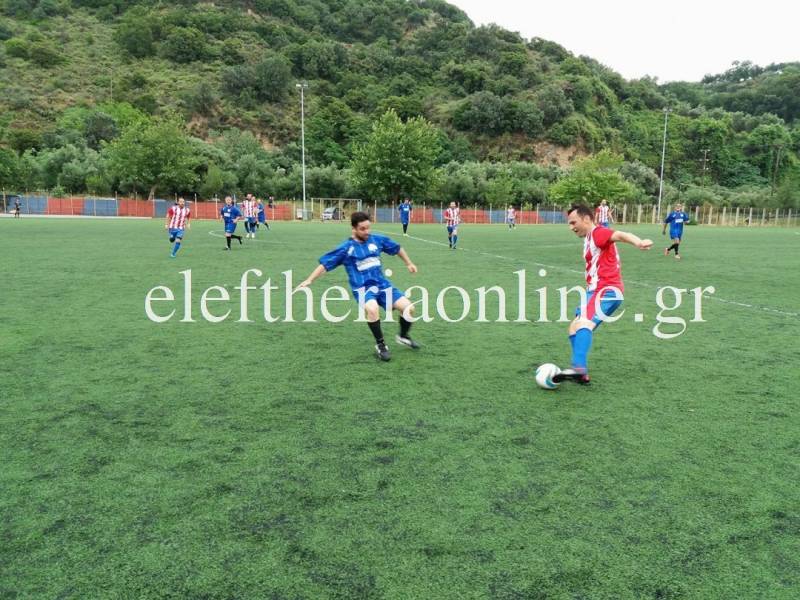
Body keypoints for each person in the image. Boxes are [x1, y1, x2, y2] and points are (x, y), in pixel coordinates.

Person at [298, 211, 420, 362]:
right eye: (362, 229)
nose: (367, 231)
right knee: (372, 309)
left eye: (368, 227)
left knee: (409, 308)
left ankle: (403, 336)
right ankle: (381, 345)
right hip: (363, 289)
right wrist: (309, 280)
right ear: (354, 229)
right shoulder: (346, 248)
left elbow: (397, 248)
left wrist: (409, 263)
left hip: (382, 285)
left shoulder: (377, 240)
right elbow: (325, 265)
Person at [552, 204, 652, 385]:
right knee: (574, 327)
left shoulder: (598, 233)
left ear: (586, 219)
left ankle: (578, 368)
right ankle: (581, 373)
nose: (571, 227)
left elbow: (620, 235)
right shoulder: (590, 237)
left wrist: (638, 242)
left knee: (584, 323)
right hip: (595, 290)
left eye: (573, 222)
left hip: (606, 290)